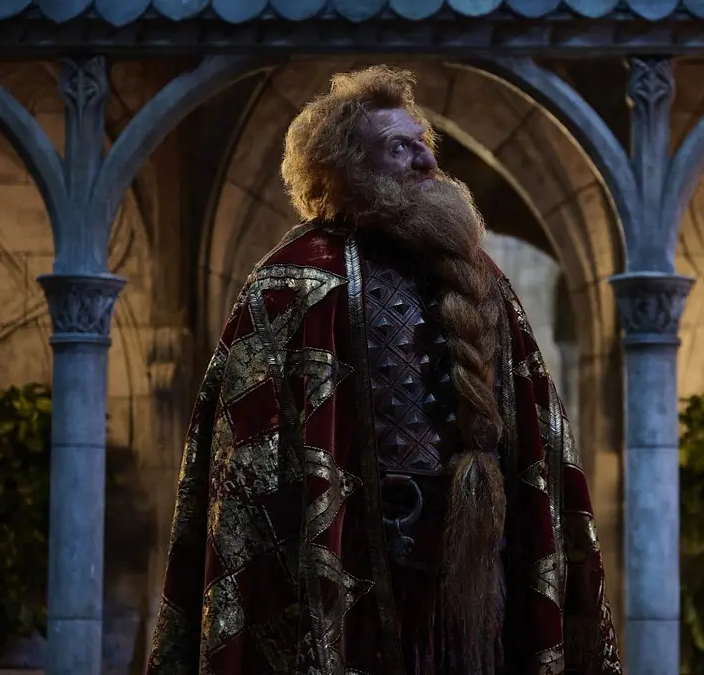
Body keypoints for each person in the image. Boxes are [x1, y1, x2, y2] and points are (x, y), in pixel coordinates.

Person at [145, 66, 622, 675]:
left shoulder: (486, 283)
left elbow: (537, 435)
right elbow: (249, 469)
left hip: (477, 572)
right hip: (349, 576)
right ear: (345, 168)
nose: (427, 161)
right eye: (400, 147)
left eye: (424, 143)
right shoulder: (293, 284)